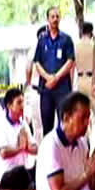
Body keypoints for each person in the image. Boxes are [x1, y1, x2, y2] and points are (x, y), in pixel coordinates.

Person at [34, 7, 76, 135]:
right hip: (46, 88)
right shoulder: (42, 40)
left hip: (62, 88)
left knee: (65, 122)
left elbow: (70, 62)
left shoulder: (66, 39)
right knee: (47, 124)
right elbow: (37, 62)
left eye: (57, 16)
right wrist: (48, 78)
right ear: (47, 19)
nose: (55, 19)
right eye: (52, 17)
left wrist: (56, 78)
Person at [0, 88, 37, 190]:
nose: (22, 106)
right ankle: (31, 184)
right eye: (19, 103)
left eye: (23, 103)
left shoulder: (23, 123)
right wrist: (20, 148)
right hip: (7, 174)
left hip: (24, 169)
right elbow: (3, 153)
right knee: (20, 171)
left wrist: (27, 148)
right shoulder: (1, 125)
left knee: (39, 165)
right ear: (9, 105)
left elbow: (35, 148)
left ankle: (30, 183)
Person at [24, 26, 46, 145]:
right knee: (38, 126)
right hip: (36, 90)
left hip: (49, 91)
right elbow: (27, 71)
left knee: (48, 125)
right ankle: (39, 157)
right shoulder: (33, 51)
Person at [74, 21, 95, 105]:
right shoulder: (94, 46)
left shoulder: (76, 47)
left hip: (79, 81)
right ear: (91, 32)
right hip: (92, 81)